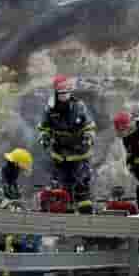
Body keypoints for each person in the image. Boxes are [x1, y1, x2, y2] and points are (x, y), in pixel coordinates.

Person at [37, 75, 98, 213]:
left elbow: (89, 126)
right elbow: (43, 128)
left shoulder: (79, 106)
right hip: (59, 156)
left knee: (82, 188)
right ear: (56, 93)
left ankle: (86, 219)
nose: (65, 96)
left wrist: (88, 137)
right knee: (62, 190)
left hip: (79, 155)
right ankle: (65, 219)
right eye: (61, 93)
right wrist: (44, 137)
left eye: (67, 92)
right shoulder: (50, 109)